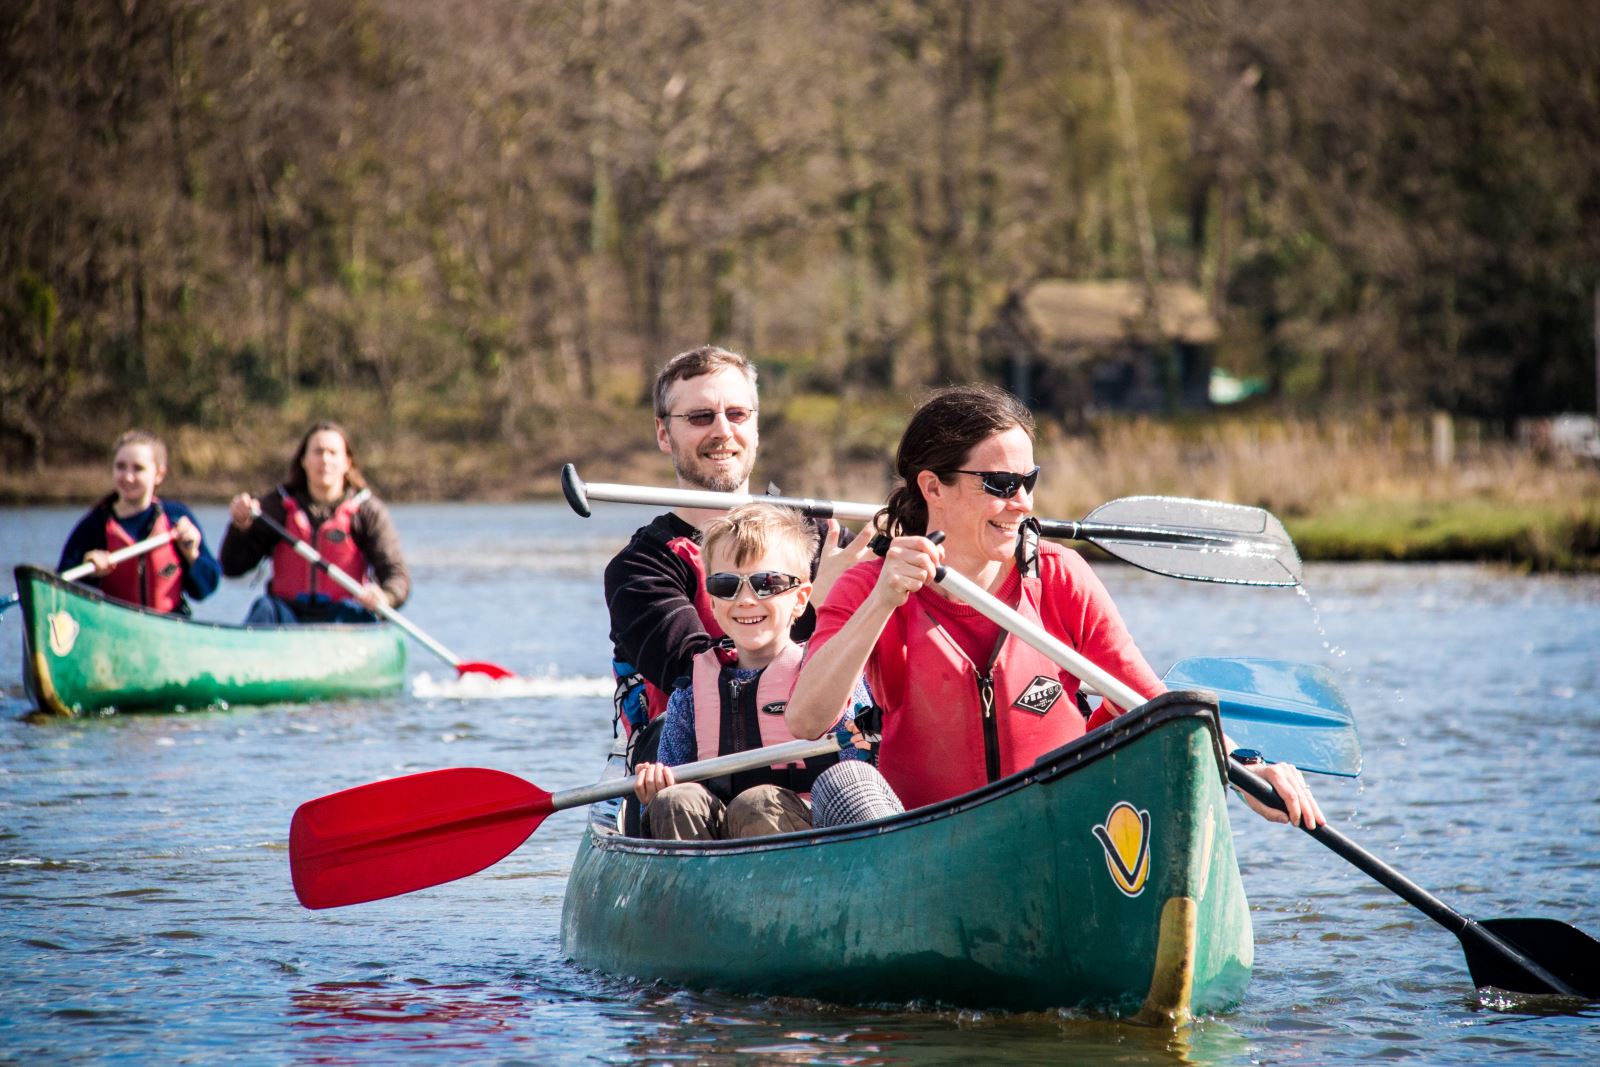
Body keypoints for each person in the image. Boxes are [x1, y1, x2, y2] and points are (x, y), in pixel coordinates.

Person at [785, 385, 1325, 830]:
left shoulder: (1060, 575)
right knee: (841, 783)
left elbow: (1146, 700)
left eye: (1029, 481)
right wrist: (883, 601)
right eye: (999, 484)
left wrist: (1246, 766)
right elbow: (808, 719)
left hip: (1058, 831)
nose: (1023, 503)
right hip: (926, 845)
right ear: (933, 487)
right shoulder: (869, 586)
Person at [603, 345, 873, 740]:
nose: (723, 431)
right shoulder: (640, 569)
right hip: (700, 771)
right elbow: (704, 680)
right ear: (664, 433)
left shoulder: (821, 538)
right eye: (700, 417)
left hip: (827, 757)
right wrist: (816, 609)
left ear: (755, 427)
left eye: (737, 414)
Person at [630, 503, 885, 840]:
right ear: (713, 600)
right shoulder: (690, 693)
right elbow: (671, 776)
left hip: (811, 833)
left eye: (767, 583)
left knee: (757, 802)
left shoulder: (830, 677)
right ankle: (700, 889)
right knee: (676, 799)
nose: (746, 599)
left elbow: (860, 770)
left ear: (800, 599)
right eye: (726, 585)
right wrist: (654, 792)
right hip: (715, 843)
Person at [220, 421, 410, 624]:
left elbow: (396, 576)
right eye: (318, 452)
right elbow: (232, 567)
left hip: (343, 614)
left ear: (347, 462)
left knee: (357, 614)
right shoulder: (276, 507)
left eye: (332, 453)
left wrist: (385, 596)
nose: (325, 460)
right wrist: (239, 527)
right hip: (287, 614)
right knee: (264, 608)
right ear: (304, 460)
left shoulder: (367, 511)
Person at [58, 430, 220, 615]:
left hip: (171, 628)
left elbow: (206, 588)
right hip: (113, 630)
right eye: (121, 467)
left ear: (159, 474)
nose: (128, 477)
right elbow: (62, 592)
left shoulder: (176, 518)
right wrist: (89, 572)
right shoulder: (93, 526)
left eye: (138, 468)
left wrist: (192, 554)